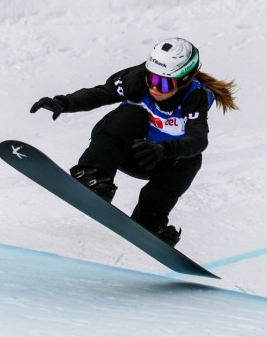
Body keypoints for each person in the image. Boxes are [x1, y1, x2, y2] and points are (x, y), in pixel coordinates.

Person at [30, 37, 237, 247]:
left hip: (155, 159)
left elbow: (198, 139)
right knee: (131, 113)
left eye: (165, 83)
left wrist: (164, 150)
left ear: (184, 81)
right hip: (120, 150)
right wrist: (64, 103)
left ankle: (149, 220)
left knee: (192, 159)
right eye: (152, 79)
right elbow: (102, 93)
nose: (155, 87)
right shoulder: (137, 79)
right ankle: (93, 175)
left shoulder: (195, 98)